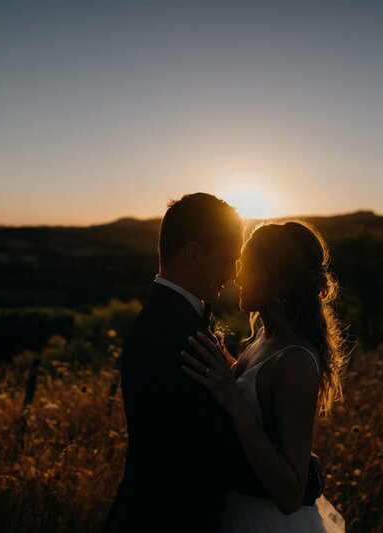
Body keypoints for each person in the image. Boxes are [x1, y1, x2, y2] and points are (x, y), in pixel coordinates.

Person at [103, 193, 262, 533]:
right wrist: (298, 480)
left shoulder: (174, 319)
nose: (233, 275)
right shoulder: (175, 335)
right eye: (225, 260)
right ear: (193, 254)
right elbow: (206, 453)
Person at [182, 220, 347, 532]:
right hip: (235, 510)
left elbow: (290, 494)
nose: (237, 277)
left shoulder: (295, 360)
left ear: (281, 281)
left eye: (251, 269)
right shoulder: (262, 337)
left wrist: (233, 401)